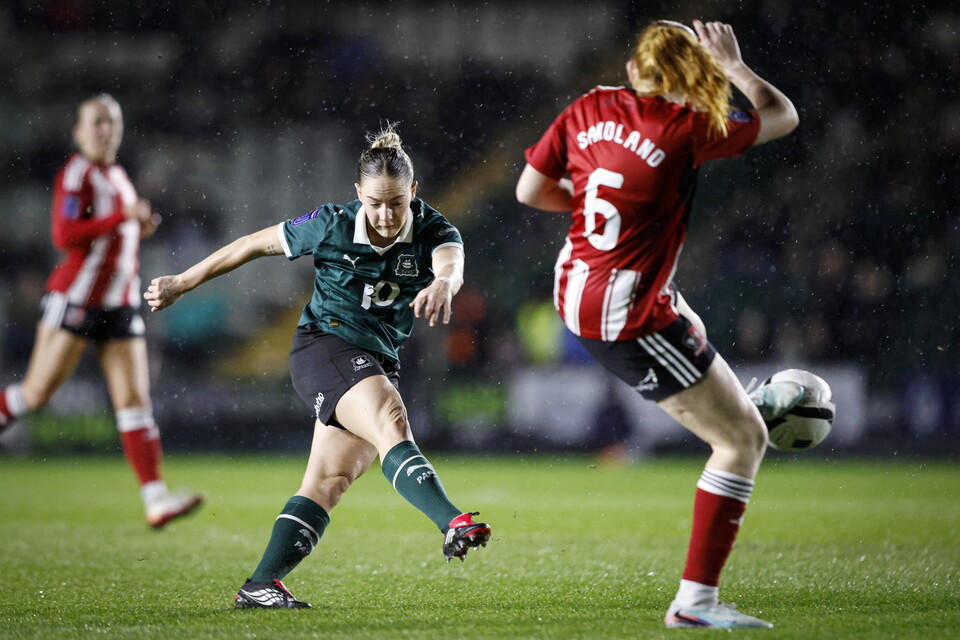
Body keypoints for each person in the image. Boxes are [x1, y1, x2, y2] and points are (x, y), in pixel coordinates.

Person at [516, 20, 803, 629]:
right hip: (628, 316)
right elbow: (781, 116)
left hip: (575, 289)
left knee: (689, 324)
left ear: (630, 70)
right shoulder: (684, 127)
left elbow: (527, 190)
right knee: (741, 441)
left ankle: (736, 401)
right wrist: (734, 67)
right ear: (686, 76)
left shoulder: (588, 105)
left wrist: (605, 197)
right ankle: (695, 604)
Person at [144, 126, 491, 609]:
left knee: (330, 480)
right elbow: (250, 244)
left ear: (413, 192)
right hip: (324, 345)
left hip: (375, 358)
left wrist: (444, 286)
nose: (386, 215)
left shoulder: (434, 229)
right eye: (374, 203)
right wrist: (183, 281)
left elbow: (450, 261)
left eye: (396, 202)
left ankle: (260, 584)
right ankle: (453, 521)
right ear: (358, 194)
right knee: (391, 420)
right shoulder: (330, 224)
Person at [0, 94, 203, 529]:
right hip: (77, 299)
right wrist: (121, 218)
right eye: (96, 122)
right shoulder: (78, 174)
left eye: (111, 121)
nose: (104, 129)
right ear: (78, 132)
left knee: (134, 403)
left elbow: (112, 233)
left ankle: (156, 500)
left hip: (119, 303)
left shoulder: (117, 176)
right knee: (35, 395)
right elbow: (64, 234)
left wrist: (137, 224)